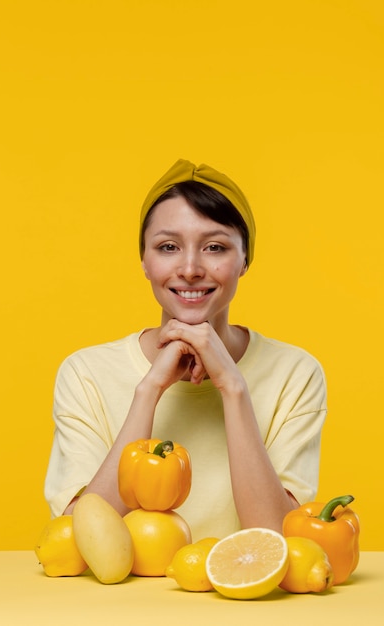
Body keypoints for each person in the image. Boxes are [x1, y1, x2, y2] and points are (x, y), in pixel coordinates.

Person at [44, 159, 327, 540]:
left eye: (214, 247)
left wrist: (233, 387)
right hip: (125, 600)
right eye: (168, 247)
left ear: (245, 259)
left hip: (239, 594)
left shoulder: (296, 373)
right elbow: (83, 537)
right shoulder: (86, 373)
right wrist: (149, 392)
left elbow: (277, 540)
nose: (191, 268)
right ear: (144, 260)